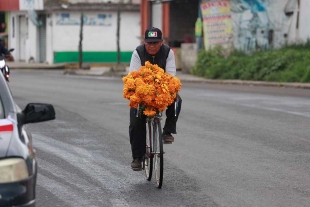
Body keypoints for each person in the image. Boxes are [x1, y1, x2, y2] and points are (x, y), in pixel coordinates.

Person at [128, 27, 182, 171]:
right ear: (144, 42)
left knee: (177, 100)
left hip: (161, 89)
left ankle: (168, 131)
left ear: (161, 42)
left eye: (155, 43)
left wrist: (160, 90)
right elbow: (133, 77)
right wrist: (143, 92)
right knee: (135, 122)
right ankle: (137, 157)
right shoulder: (138, 53)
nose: (152, 46)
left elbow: (171, 76)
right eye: (149, 43)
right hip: (141, 92)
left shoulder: (168, 52)